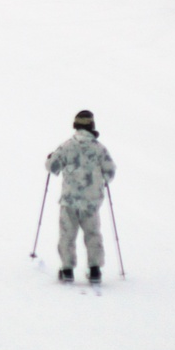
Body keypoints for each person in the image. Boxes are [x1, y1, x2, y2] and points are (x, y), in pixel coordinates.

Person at [45, 110, 117, 284]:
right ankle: (94, 270)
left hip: (69, 200)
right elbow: (110, 171)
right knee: (93, 234)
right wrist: (101, 181)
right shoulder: (99, 148)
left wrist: (50, 158)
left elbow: (52, 167)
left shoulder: (67, 146)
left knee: (67, 234)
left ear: (76, 126)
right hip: (91, 201)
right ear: (91, 126)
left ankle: (67, 269)